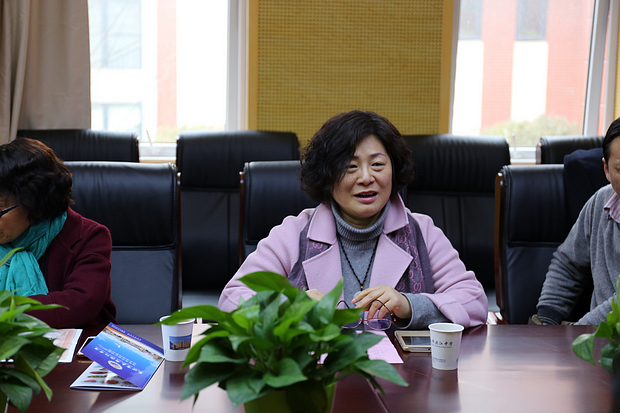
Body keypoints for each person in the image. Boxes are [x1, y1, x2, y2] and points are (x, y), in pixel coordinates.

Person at [218, 110, 488, 329]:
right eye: (350, 167)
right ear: (327, 176)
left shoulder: (421, 231)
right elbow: (232, 299)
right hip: (314, 372)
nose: (366, 177)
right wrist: (290, 308)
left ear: (394, 170)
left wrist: (409, 305)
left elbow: (474, 302)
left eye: (378, 164)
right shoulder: (294, 233)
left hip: (404, 375)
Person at [0, 137, 116, 328]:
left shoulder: (89, 236)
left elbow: (80, 304)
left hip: (78, 342)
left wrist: (7, 311)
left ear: (36, 206)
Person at [536, 117, 620, 325]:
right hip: (596, 340)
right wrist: (546, 321)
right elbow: (568, 265)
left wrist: (579, 333)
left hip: (592, 335)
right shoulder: (600, 202)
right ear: (606, 169)